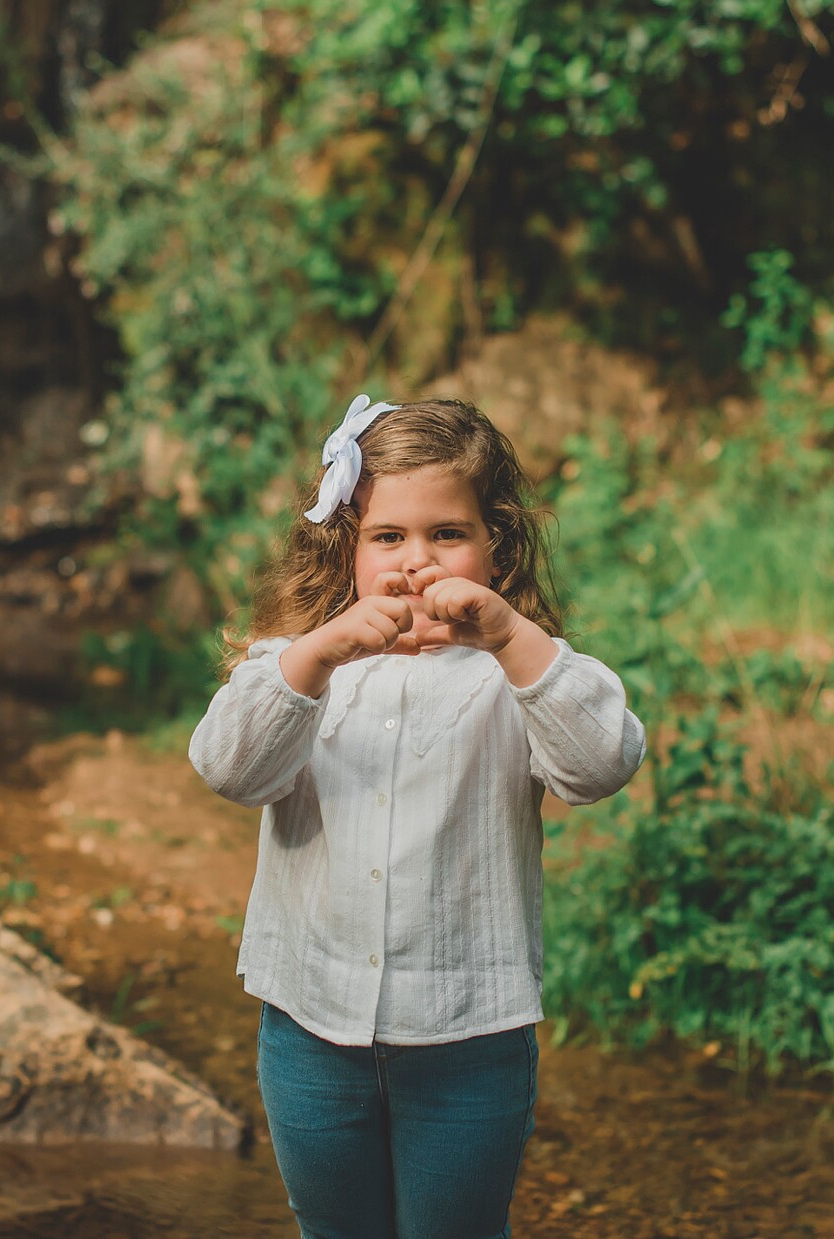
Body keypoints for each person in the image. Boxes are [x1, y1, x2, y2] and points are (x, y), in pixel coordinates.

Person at [189, 396, 646, 1239]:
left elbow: (601, 764)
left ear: (496, 546)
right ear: (346, 546)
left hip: (468, 1035)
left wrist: (509, 634)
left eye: (448, 533)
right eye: (387, 537)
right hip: (310, 1028)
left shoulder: (517, 672)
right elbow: (229, 768)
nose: (417, 560)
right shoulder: (294, 665)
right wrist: (319, 653)